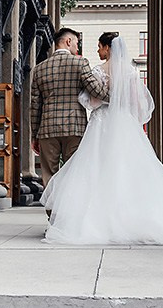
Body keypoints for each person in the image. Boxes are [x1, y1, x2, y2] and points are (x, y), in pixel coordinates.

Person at [42, 31, 163, 245]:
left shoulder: (98, 70)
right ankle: (135, 217)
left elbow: (93, 100)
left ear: (108, 48)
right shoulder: (132, 72)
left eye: (100, 46)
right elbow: (137, 104)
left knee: (97, 169)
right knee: (129, 169)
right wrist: (123, 111)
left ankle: (95, 219)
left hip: (102, 123)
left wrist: (101, 100)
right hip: (124, 122)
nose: (98, 50)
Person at [29, 28, 109, 190]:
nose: (77, 47)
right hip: (75, 128)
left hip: (47, 130)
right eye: (77, 43)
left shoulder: (39, 68)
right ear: (68, 42)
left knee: (49, 174)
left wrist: (35, 135)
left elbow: (35, 105)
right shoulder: (80, 63)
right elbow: (97, 92)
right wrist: (118, 94)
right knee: (74, 172)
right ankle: (70, 212)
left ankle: (52, 213)